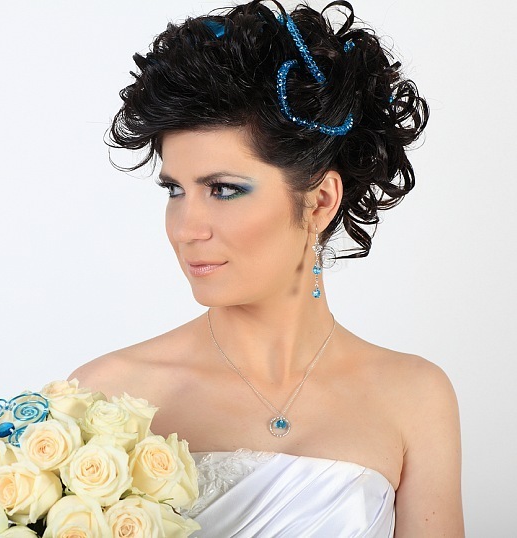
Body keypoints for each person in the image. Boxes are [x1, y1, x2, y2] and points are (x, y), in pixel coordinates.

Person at [69, 1, 463, 536]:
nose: (186, 228)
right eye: (175, 191)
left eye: (223, 189)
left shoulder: (414, 397)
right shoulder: (109, 396)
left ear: (320, 201)